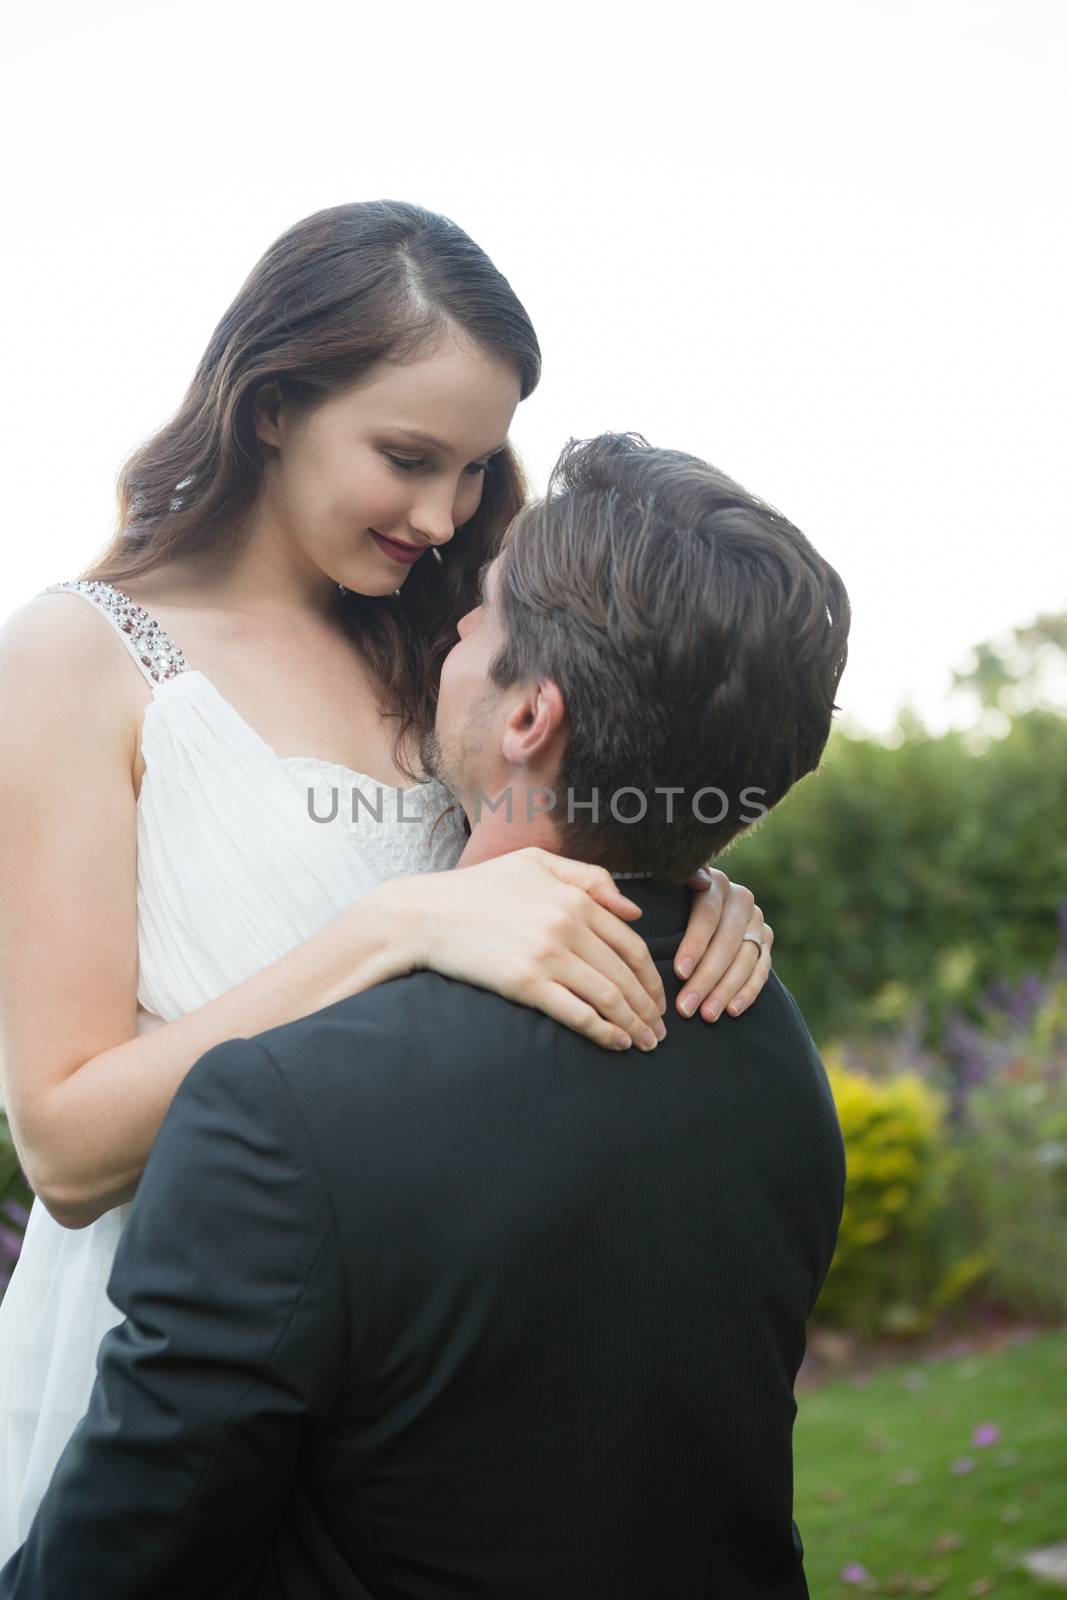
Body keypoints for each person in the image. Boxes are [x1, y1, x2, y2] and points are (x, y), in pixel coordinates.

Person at [0, 202, 772, 1559]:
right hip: (180, 1363)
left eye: (476, 469)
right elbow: (61, 1147)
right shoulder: (75, 658)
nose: (445, 515)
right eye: (408, 457)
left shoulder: (452, 640)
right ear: (273, 405)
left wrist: (685, 890)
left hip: (438, 1357)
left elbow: (554, 839)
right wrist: (398, 923)